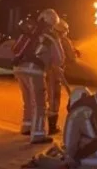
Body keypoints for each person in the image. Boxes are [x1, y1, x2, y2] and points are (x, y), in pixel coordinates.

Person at [13, 9, 65, 144]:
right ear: (53, 23)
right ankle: (38, 134)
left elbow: (16, 49)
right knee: (39, 104)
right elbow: (60, 58)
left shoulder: (31, 31)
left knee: (28, 100)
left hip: (19, 68)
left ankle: (27, 126)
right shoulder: (51, 36)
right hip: (34, 71)